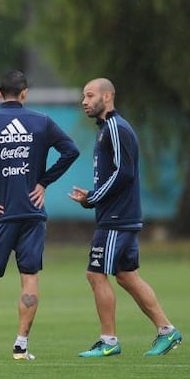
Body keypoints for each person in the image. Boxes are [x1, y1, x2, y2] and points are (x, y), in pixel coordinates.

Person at [0, 70, 79, 362]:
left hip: (0, 215)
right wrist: (44, 182)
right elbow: (71, 151)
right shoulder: (41, 122)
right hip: (32, 214)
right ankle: (21, 346)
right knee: (29, 277)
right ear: (24, 94)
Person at [69, 77, 182, 357]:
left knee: (95, 274)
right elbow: (116, 175)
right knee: (126, 276)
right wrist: (92, 196)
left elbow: (124, 173)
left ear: (107, 97)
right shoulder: (106, 129)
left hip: (116, 218)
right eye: (83, 96)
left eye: (90, 95)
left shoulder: (116, 128)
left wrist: (94, 197)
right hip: (119, 215)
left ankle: (109, 342)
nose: (84, 101)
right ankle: (167, 331)